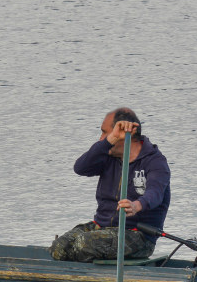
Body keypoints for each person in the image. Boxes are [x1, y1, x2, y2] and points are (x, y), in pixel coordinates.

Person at [50, 107, 171, 263]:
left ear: (129, 134)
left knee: (83, 244)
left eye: (105, 132)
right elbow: (80, 168)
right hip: (101, 227)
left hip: (137, 235)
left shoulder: (155, 161)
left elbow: (156, 193)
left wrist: (136, 205)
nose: (101, 139)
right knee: (58, 247)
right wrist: (110, 140)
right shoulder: (107, 155)